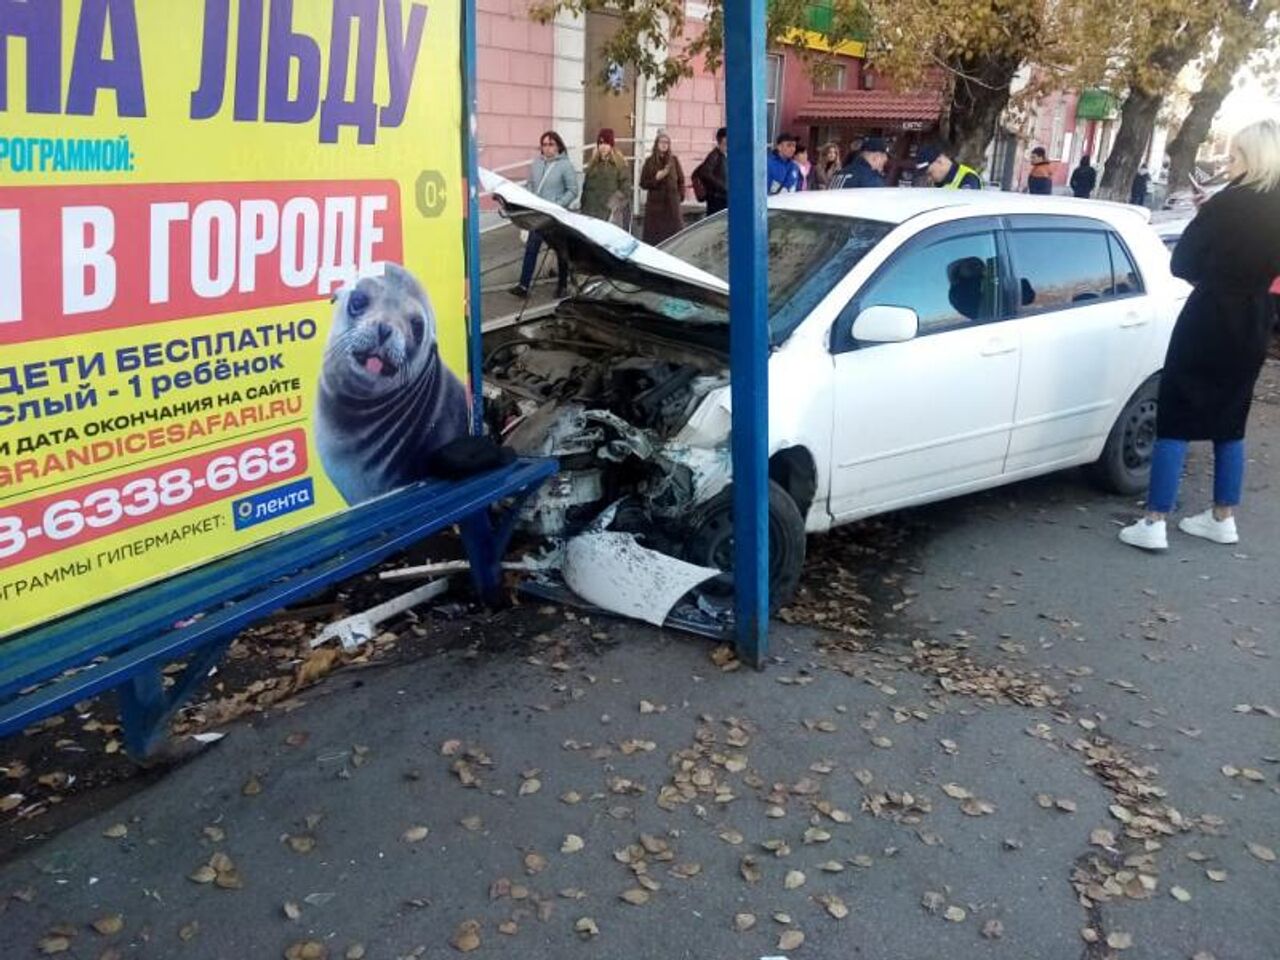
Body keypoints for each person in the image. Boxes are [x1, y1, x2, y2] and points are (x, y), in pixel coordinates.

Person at [1120, 119, 1280, 552]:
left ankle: (1155, 521)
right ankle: (1222, 517)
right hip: (1255, 321)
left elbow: (1182, 264)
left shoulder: (1226, 204)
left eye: (1234, 156)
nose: (1229, 164)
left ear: (1251, 158)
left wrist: (1205, 215)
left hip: (1209, 315)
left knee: (1175, 416)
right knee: (1232, 420)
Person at [510, 130, 578, 299]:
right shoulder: (536, 164)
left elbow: (573, 190)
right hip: (537, 215)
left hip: (555, 216)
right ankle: (523, 285)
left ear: (558, 146)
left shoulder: (565, 165)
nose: (547, 148)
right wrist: (525, 200)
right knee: (531, 248)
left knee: (561, 250)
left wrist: (558, 205)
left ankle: (562, 285)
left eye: (551, 144)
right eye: (544, 144)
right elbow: (530, 185)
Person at [639, 131, 686, 245]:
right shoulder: (649, 162)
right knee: (656, 238)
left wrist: (680, 196)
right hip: (656, 206)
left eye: (667, 142)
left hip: (672, 205)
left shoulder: (673, 160)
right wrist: (656, 179)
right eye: (661, 142)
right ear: (656, 144)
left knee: (675, 238)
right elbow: (643, 183)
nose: (664, 145)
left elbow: (681, 180)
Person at [580, 128, 631, 226]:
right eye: (600, 143)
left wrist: (612, 207)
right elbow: (586, 189)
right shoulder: (593, 164)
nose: (603, 147)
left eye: (606, 143)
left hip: (609, 215)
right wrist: (583, 208)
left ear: (611, 145)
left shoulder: (620, 164)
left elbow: (625, 189)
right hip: (590, 214)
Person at [691, 127, 728, 215]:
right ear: (720, 142)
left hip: (722, 198)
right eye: (725, 143)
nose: (728, 146)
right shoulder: (714, 155)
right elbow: (705, 173)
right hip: (717, 200)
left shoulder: (724, 156)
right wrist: (723, 187)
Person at [916, 144, 982, 189]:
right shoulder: (941, 182)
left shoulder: (968, 179)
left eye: (930, 173)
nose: (929, 179)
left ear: (940, 161)